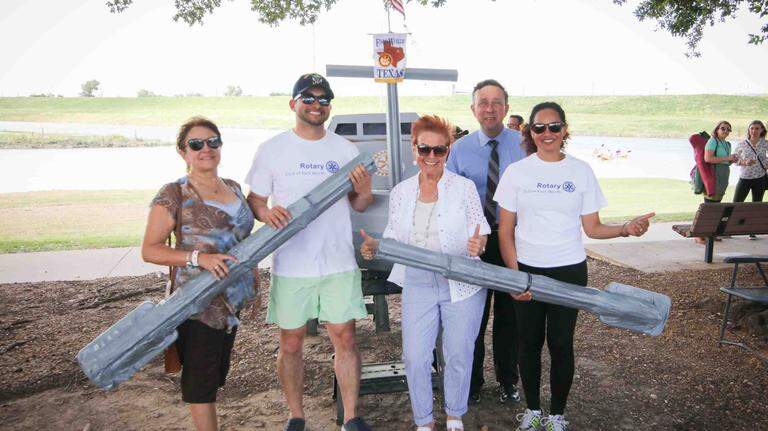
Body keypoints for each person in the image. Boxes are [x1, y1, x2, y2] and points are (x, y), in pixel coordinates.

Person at [497, 102, 654, 431]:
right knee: (528, 343)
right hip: (527, 270)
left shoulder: (580, 171)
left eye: (554, 127)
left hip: (569, 270)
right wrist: (514, 277)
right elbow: (505, 230)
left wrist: (626, 228)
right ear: (530, 132)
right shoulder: (517, 172)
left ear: (565, 130)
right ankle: (532, 411)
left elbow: (593, 228)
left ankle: (556, 415)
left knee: (560, 343)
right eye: (539, 127)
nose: (547, 134)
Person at [244, 73, 374, 431]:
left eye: (324, 100)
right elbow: (255, 200)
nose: (317, 105)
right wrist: (266, 213)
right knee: (290, 342)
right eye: (309, 98)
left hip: (336, 260)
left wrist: (364, 189)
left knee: (345, 337)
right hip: (292, 263)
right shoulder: (272, 149)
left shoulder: (345, 150)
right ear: (293, 104)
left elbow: (360, 204)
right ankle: (296, 416)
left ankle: (350, 417)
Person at [360, 114, 490, 431]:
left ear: (448, 151)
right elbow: (392, 238)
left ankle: (455, 416)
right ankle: (424, 421)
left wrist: (478, 245)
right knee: (415, 357)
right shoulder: (402, 191)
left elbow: (481, 231)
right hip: (418, 282)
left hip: (462, 283)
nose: (431, 157)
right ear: (414, 150)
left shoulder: (464, 188)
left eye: (439, 150)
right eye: (424, 149)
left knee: (458, 353)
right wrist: (373, 247)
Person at [141, 116, 259, 431]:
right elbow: (150, 250)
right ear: (183, 152)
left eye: (212, 141)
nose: (206, 148)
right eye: (196, 144)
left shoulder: (233, 187)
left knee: (213, 375)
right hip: (197, 305)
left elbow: (242, 235)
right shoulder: (174, 194)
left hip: (231, 304)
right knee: (200, 384)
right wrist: (198, 258)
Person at [446, 79, 527, 405]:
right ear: (473, 109)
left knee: (511, 318)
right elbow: (449, 198)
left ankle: (508, 380)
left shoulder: (524, 145)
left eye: (496, 102)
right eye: (483, 102)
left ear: (506, 108)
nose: (490, 108)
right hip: (474, 243)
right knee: (472, 318)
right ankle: (473, 383)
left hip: (513, 239)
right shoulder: (460, 150)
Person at [732, 120, 768, 239]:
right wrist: (744, 162)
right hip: (745, 178)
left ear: (762, 130)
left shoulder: (765, 143)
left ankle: (752, 231)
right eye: (752, 128)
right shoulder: (742, 144)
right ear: (749, 130)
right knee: (736, 204)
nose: (754, 131)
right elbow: (734, 159)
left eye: (757, 128)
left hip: (760, 179)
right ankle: (729, 229)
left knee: (756, 205)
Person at [704, 120, 738, 203]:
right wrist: (727, 158)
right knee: (710, 205)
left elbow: (725, 162)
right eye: (723, 128)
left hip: (723, 177)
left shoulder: (727, 144)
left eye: (728, 130)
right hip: (714, 177)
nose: (726, 131)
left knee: (717, 205)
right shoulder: (713, 141)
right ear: (717, 129)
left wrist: (732, 160)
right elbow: (708, 159)